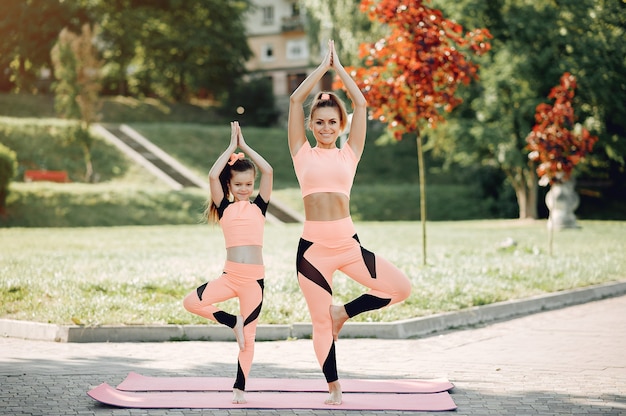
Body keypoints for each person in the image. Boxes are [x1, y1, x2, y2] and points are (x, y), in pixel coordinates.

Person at [287, 40, 412, 405]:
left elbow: (361, 103)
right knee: (319, 322)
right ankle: (334, 388)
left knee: (400, 289)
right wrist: (321, 70)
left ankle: (345, 312)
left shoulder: (350, 153)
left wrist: (339, 69)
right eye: (320, 122)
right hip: (312, 254)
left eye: (332, 122)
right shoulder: (300, 152)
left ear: (341, 125)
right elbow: (296, 100)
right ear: (311, 125)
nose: (326, 127)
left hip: (348, 245)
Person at [183, 121, 272, 404]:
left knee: (249, 337)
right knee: (191, 302)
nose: (245, 189)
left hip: (254, 281)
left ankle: (239, 388)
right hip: (230, 276)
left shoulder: (260, 206)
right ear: (230, 186)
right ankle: (232, 321)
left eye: (249, 184)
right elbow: (212, 175)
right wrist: (230, 148)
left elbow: (268, 171)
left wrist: (245, 147)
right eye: (239, 185)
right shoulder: (225, 208)